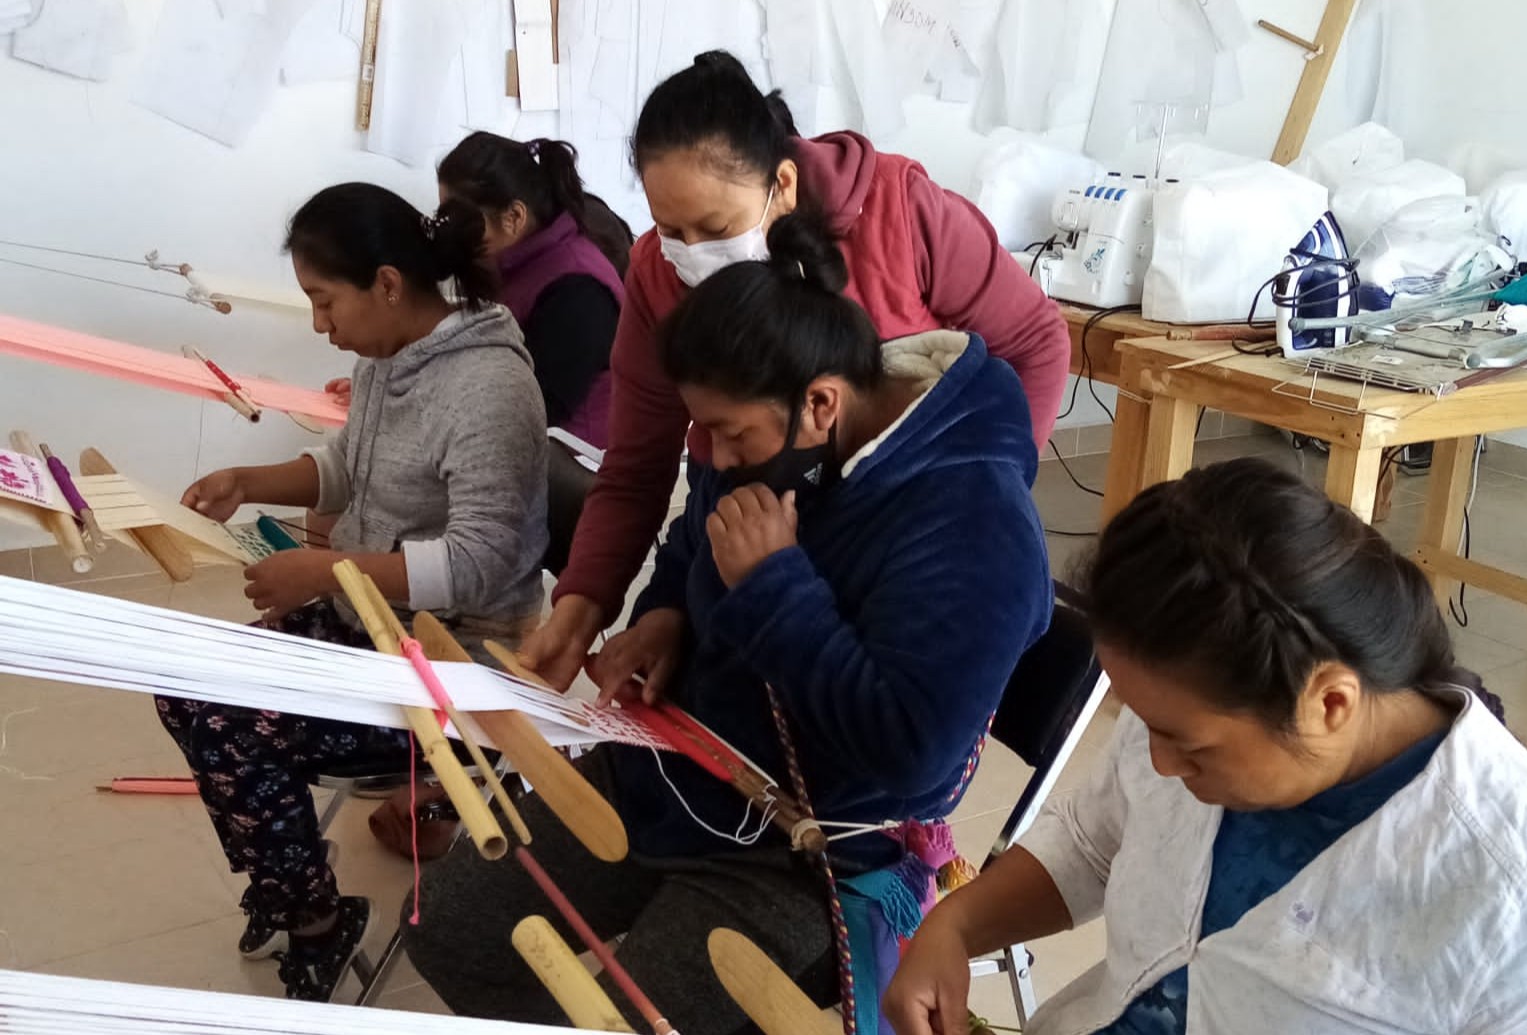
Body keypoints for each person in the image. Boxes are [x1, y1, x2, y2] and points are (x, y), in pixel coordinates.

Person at [403, 214, 1053, 1034]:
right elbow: (695, 534)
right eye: (702, 429)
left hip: (805, 852)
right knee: (452, 932)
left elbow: (914, 757)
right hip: (679, 767)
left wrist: (775, 585)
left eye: (730, 433)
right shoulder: (783, 433)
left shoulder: (977, 525)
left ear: (820, 403)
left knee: (626, 1017)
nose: (712, 453)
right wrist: (667, 613)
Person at [885, 459, 1527, 1035]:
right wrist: (956, 927)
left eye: (1187, 744)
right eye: (1144, 724)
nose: (1158, 763)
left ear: (1329, 703)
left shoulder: (1518, 900)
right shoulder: (1188, 702)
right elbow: (1093, 839)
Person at [522, 49, 1071, 690]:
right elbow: (639, 467)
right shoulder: (656, 271)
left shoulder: (898, 210)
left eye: (715, 227)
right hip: (744, 521)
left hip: (885, 526)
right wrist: (583, 609)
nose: (691, 255)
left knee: (839, 693)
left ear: (782, 185)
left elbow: (1036, 340)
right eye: (671, 230)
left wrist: (986, 493)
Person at [157, 182, 549, 1002]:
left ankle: (314, 915)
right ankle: (290, 874)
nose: (317, 324)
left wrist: (325, 572)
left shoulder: (489, 387)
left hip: (456, 668)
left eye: (323, 299)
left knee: (236, 728)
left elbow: (482, 559)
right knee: (182, 682)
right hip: (370, 626)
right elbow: (351, 465)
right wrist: (251, 479)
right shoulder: (387, 358)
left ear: (387, 283)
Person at [327, 133, 627, 449]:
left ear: (514, 217)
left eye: (464, 220)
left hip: (569, 464)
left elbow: (531, 407)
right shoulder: (508, 264)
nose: (453, 232)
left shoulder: (579, 290)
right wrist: (387, 393)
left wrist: (403, 406)